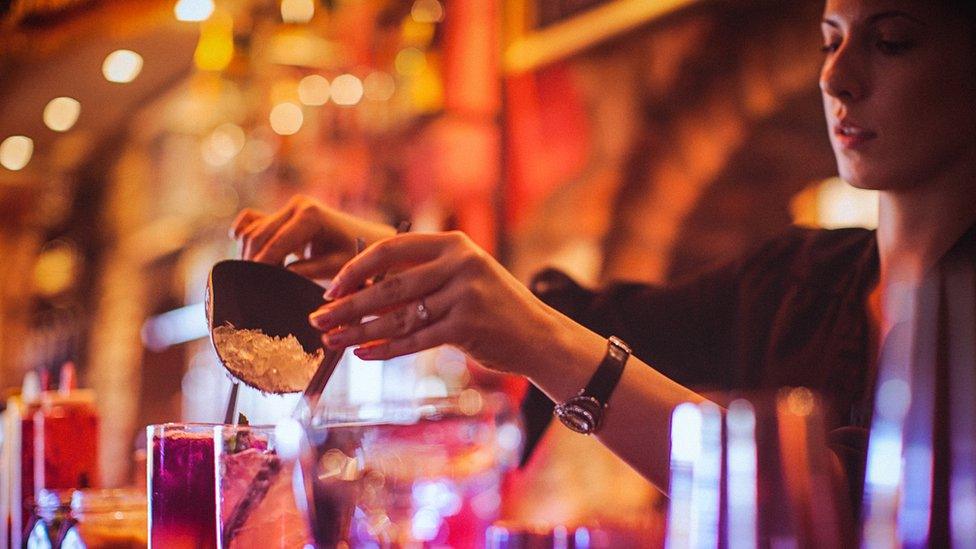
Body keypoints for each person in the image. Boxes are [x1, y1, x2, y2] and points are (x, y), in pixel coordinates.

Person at [231, 0, 976, 531]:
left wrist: (539, 340)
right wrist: (399, 264)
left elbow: (850, 507)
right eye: (829, 39)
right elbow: (598, 321)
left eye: (893, 40)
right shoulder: (804, 275)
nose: (836, 77)